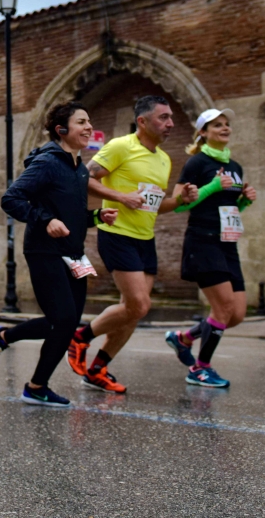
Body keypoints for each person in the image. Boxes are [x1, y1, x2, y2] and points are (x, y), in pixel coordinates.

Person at [0, 103, 118, 406]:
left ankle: (36, 386)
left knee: (68, 324)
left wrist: (97, 217)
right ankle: (3, 336)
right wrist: (45, 220)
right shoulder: (47, 163)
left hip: (74, 254)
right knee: (63, 318)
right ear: (61, 130)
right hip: (44, 251)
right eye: (80, 122)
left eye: (89, 121)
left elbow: (71, 217)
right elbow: (11, 198)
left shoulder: (80, 169)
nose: (87, 127)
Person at [67, 95, 198, 393]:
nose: (170, 124)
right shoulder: (120, 146)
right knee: (140, 304)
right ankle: (79, 338)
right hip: (117, 233)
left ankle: (98, 368)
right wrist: (120, 197)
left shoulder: (164, 159)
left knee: (133, 310)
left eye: (171, 118)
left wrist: (180, 200)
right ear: (142, 121)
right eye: (163, 117)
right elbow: (84, 177)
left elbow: (155, 206)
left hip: (145, 239)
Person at [165, 108, 257, 388]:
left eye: (227, 124)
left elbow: (229, 208)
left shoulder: (236, 166)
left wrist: (244, 202)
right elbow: (179, 204)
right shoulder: (197, 163)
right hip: (203, 239)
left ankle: (183, 338)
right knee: (224, 307)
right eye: (217, 125)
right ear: (203, 133)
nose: (225, 128)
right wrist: (213, 186)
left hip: (227, 242)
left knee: (236, 314)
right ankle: (200, 369)